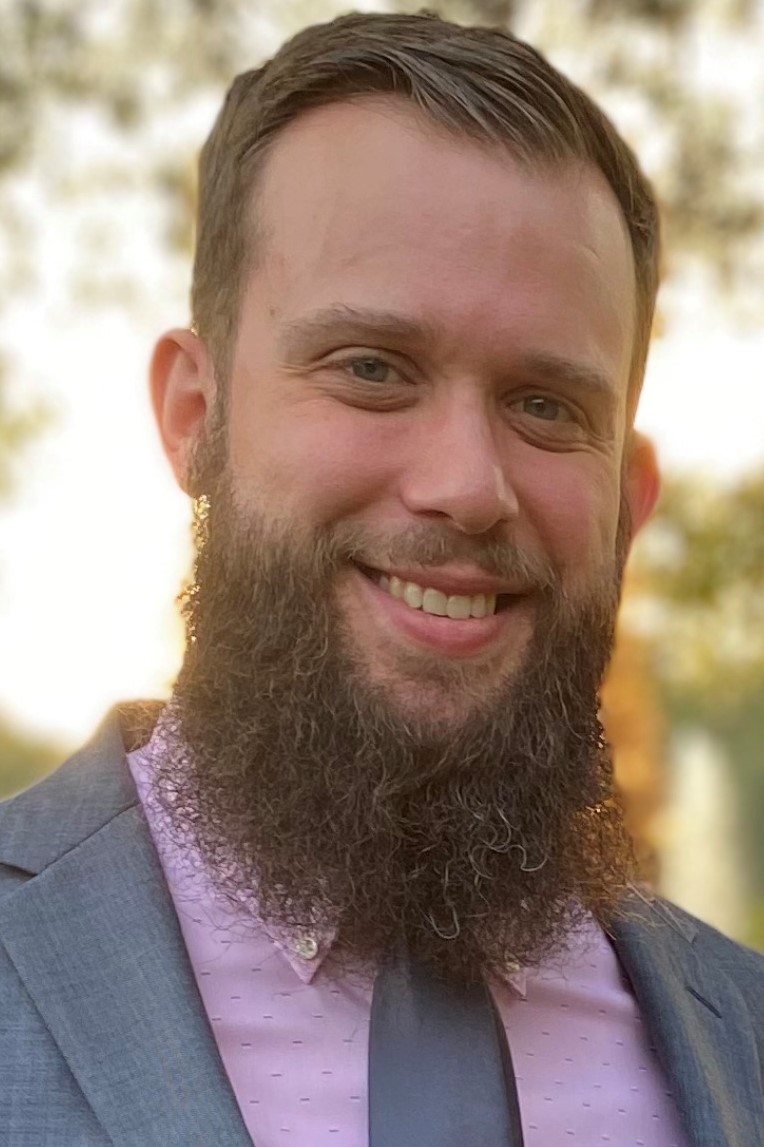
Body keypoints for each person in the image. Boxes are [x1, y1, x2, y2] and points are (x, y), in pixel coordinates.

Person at [0, 10, 761, 1146]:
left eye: (545, 404)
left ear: (625, 502)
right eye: (372, 369)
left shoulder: (741, 1034)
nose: (467, 485)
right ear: (194, 417)